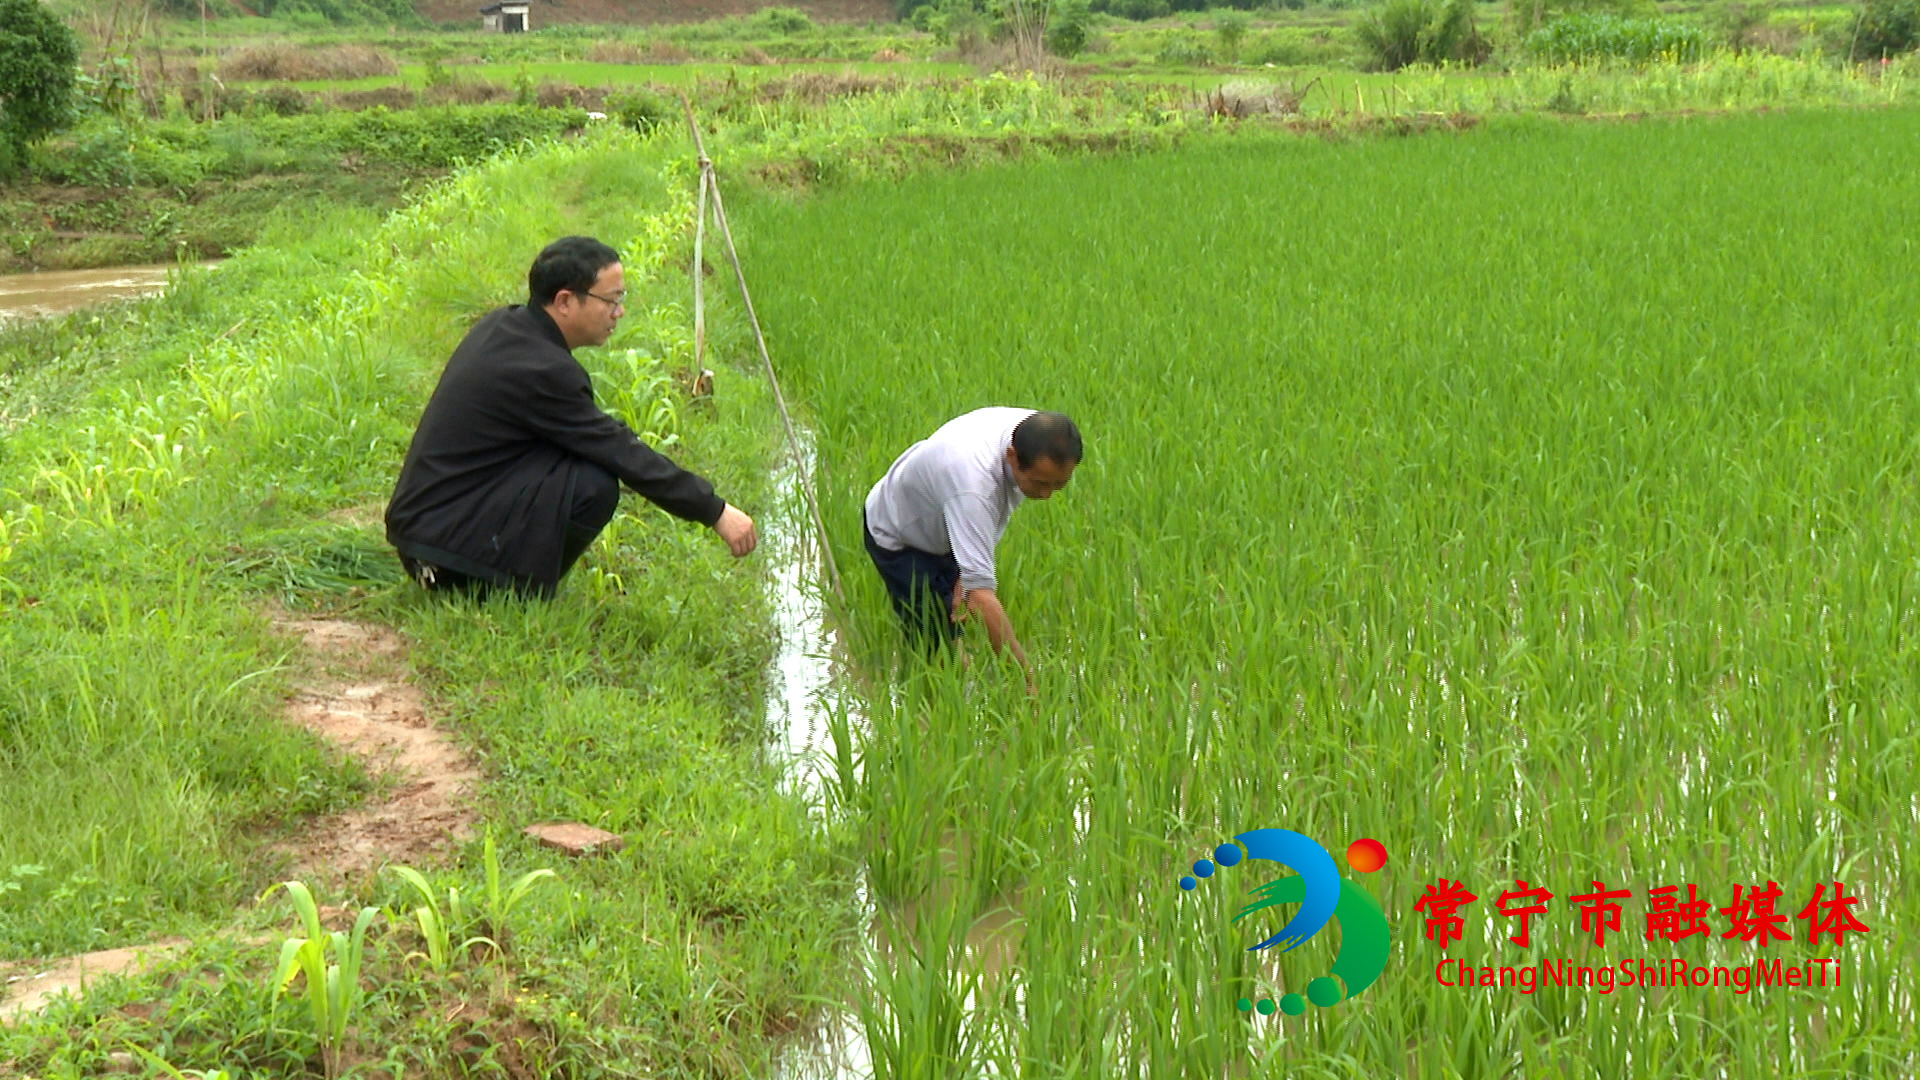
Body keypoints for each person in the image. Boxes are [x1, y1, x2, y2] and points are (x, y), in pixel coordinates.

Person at [385, 236, 756, 599]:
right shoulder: (544, 369)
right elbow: (620, 451)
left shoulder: (505, 325)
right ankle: (513, 592)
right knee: (593, 485)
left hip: (424, 532)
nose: (619, 312)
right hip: (441, 558)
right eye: (611, 300)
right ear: (565, 301)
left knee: (572, 460)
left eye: (621, 299)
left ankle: (503, 572)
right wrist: (716, 511)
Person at [862, 407, 1081, 691]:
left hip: (945, 517)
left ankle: (962, 680)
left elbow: (991, 514)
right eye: (1040, 483)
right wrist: (1027, 679)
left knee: (957, 613)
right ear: (1012, 456)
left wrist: (965, 578)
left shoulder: (1039, 433)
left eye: (1059, 484)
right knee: (936, 644)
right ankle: (937, 711)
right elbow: (981, 597)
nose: (1046, 495)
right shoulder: (974, 485)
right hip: (899, 533)